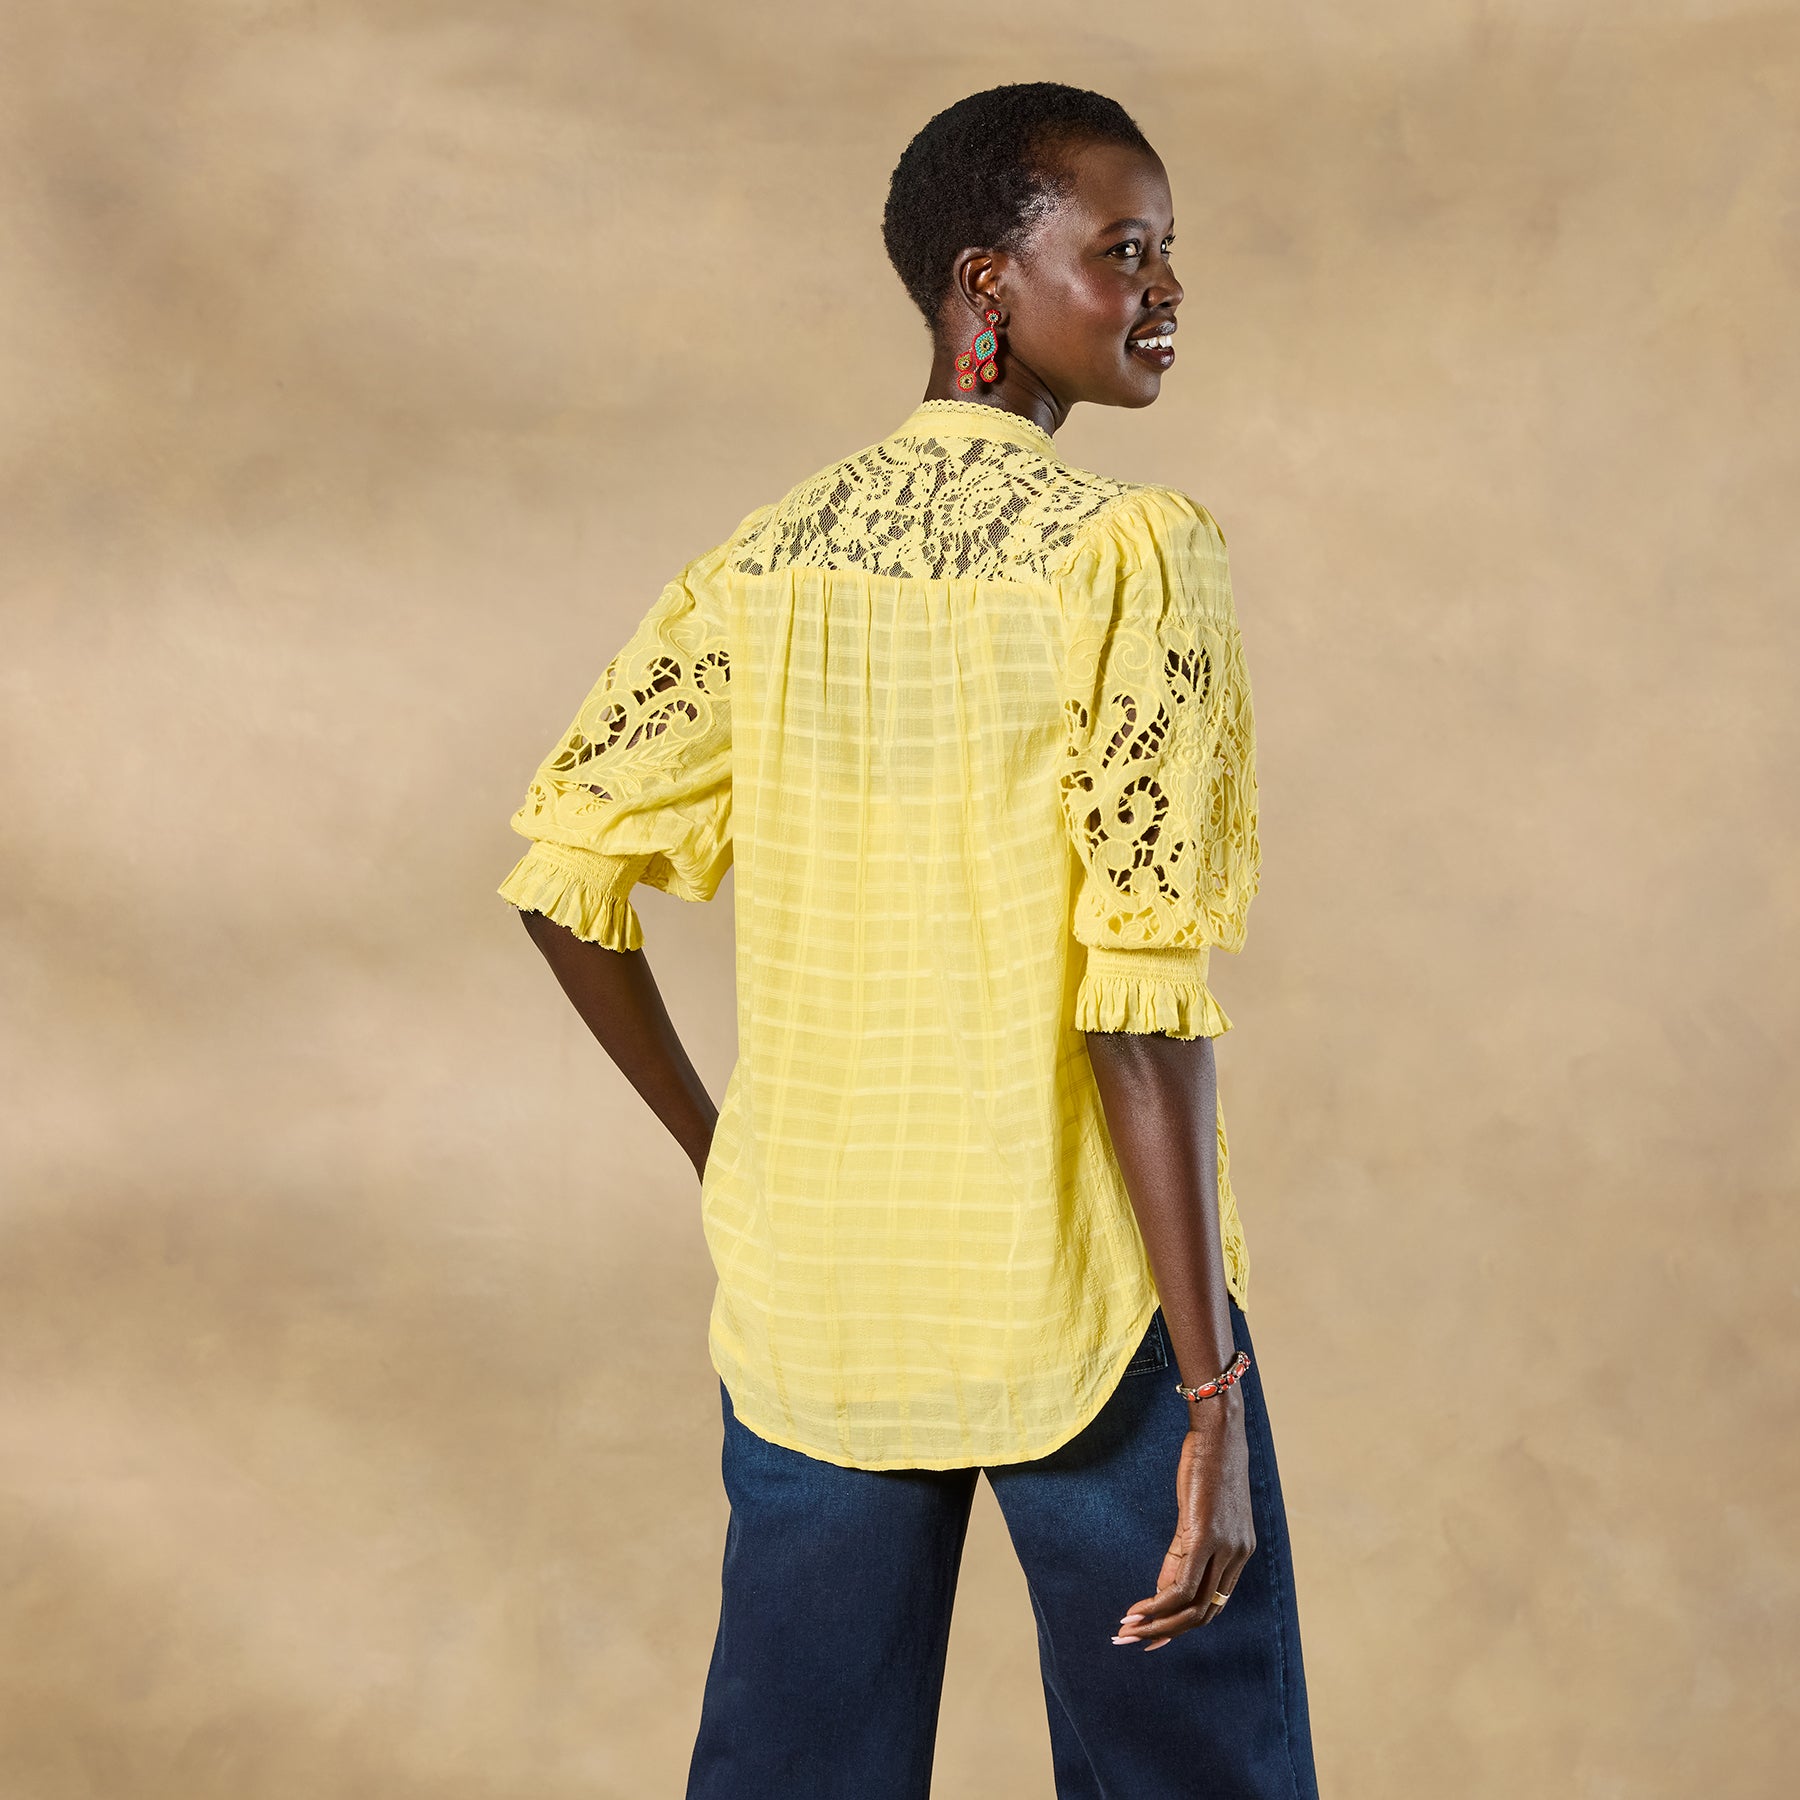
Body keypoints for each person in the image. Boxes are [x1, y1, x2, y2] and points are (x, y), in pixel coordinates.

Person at [496, 81, 1319, 1800]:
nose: (1168, 289)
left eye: (1169, 252)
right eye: (1125, 251)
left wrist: (729, 1157)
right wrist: (1212, 1393)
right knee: (1192, 1775)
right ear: (986, 281)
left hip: (817, 1298)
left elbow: (566, 874)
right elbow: (1137, 1003)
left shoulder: (765, 563)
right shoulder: (1128, 555)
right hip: (1079, 1293)